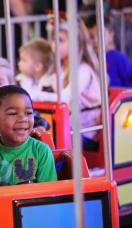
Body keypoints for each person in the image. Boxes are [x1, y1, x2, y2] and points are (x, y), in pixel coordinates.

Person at [0, 85, 57, 187]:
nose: (23, 119)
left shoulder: (41, 151)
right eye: (13, 113)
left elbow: (49, 193)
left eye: (28, 113)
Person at [49, 18, 101, 150]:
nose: (54, 44)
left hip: (85, 133)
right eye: (53, 40)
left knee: (52, 140)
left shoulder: (83, 70)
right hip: (68, 128)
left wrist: (34, 94)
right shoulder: (58, 70)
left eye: (60, 40)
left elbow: (65, 97)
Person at [84, 15, 132, 87]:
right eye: (91, 37)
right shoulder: (89, 59)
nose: (96, 40)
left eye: (100, 35)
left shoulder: (118, 58)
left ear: (111, 35)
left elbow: (129, 80)